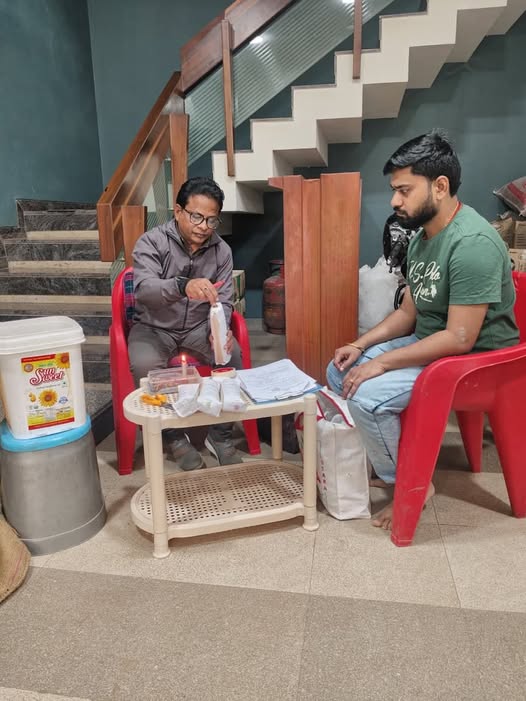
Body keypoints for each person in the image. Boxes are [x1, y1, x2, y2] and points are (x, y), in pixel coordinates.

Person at [327, 130, 519, 529]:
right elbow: (408, 313)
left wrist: (383, 364)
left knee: (368, 397)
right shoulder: (421, 240)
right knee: (339, 370)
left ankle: (410, 482)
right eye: (394, 190)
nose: (395, 201)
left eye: (404, 190)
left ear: (440, 186)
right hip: (434, 344)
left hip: (477, 362)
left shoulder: (473, 243)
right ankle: (395, 456)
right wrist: (360, 344)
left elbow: (460, 338)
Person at [128, 176, 242, 471]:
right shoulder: (151, 242)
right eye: (197, 217)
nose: (204, 226)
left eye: (212, 220)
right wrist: (181, 285)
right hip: (154, 326)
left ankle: (220, 435)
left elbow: (224, 300)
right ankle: (174, 438)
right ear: (178, 211)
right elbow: (144, 290)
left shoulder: (222, 251)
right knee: (144, 365)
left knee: (231, 358)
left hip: (197, 327)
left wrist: (219, 329)